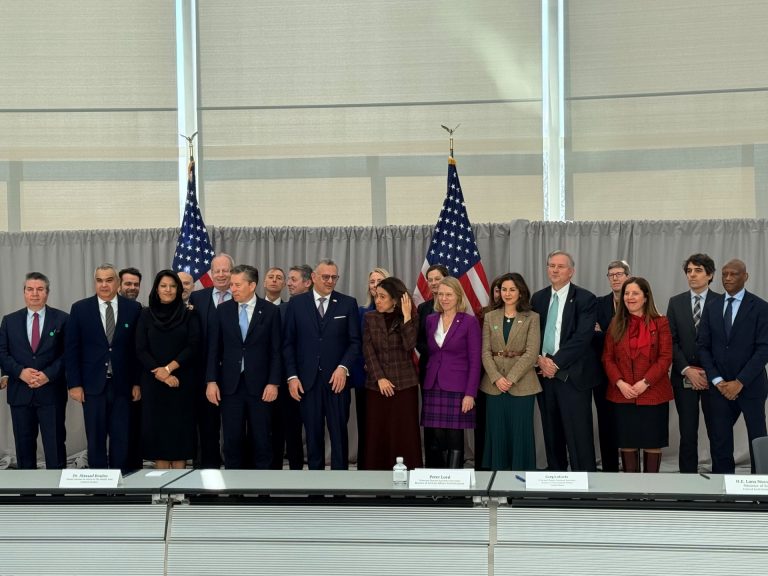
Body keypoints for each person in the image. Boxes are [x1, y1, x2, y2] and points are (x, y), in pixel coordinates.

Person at [283, 258, 361, 470]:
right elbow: (288, 344)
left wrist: (343, 368)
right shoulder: (297, 304)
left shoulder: (348, 303)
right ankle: (315, 484)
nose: (330, 281)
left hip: (337, 383)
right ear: (314, 277)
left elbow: (355, 343)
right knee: (313, 435)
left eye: (334, 277)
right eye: (325, 277)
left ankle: (339, 485)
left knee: (339, 435)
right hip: (307, 383)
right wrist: (292, 377)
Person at [65, 263, 142, 470]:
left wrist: (137, 383)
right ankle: (98, 482)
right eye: (99, 280)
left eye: (109, 280)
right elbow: (71, 349)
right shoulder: (80, 308)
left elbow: (137, 350)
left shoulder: (133, 308)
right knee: (95, 437)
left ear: (117, 283)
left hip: (123, 386)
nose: (104, 285)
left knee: (121, 436)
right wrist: (74, 384)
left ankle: (120, 480)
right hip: (92, 386)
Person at [206, 265, 281, 469]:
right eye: (232, 285)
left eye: (237, 285)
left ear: (252, 285)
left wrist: (274, 383)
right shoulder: (223, 310)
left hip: (261, 387)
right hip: (230, 386)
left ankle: (262, 485)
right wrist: (211, 381)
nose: (233, 289)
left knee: (262, 440)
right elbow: (214, 349)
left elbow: (276, 351)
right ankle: (233, 485)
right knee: (232, 440)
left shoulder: (271, 311)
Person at [698, 259, 768, 474]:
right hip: (719, 388)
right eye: (724, 274)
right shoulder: (712, 306)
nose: (727, 278)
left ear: (745, 276)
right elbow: (703, 347)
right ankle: (723, 486)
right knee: (720, 439)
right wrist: (717, 380)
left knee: (757, 437)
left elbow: (764, 349)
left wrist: (740, 382)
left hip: (751, 385)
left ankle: (760, 485)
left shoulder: (761, 307)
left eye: (734, 274)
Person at [532, 250, 598, 472]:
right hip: (543, 375)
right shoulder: (538, 298)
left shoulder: (585, 298)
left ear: (571, 271)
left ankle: (584, 479)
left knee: (578, 434)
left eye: (560, 266)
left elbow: (582, 337)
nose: (555, 270)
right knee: (551, 432)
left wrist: (555, 363)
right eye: (551, 265)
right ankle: (556, 476)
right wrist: (540, 360)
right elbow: (532, 334)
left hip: (572, 376)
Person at [602, 277, 674, 473]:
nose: (629, 297)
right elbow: (607, 358)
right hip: (622, 393)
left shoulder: (661, 322)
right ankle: (631, 488)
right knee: (627, 443)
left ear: (646, 296)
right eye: (626, 293)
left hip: (653, 392)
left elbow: (665, 357)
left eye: (635, 293)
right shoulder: (615, 323)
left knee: (652, 442)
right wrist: (620, 383)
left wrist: (645, 382)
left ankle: (650, 489)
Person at [0, 272, 68, 469]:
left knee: (55, 445)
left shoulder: (63, 319)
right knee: (24, 448)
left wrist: (48, 375)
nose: (35, 294)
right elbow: (2, 353)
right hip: (20, 393)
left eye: (40, 289)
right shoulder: (9, 321)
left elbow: (68, 354)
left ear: (47, 292)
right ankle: (27, 488)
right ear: (24, 292)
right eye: (30, 289)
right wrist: (20, 372)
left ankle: (57, 487)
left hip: (51, 392)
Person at [135, 270, 201, 469]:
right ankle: (161, 485)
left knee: (180, 435)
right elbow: (140, 348)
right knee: (158, 435)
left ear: (179, 289)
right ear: (156, 289)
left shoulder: (190, 313)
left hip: (182, 382)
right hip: (154, 383)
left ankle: (180, 484)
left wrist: (169, 368)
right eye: (163, 286)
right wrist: (162, 374)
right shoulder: (145, 314)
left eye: (173, 286)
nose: (168, 290)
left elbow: (193, 346)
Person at [480, 273, 541, 470]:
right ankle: (498, 477)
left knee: (520, 433)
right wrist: (497, 378)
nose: (507, 293)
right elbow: (485, 352)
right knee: (497, 433)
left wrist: (511, 378)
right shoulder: (490, 316)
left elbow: (532, 353)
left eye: (512, 289)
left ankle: (520, 478)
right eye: (504, 289)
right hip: (494, 386)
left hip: (523, 385)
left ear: (521, 292)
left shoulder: (532, 317)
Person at [362, 277, 422, 470]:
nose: (377, 300)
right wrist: (380, 378)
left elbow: (409, 345)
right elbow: (368, 350)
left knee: (404, 431)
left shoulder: (411, 317)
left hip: (404, 385)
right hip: (376, 386)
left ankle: (408, 470)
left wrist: (406, 317)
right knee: (377, 430)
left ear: (395, 300)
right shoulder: (370, 317)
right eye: (376, 296)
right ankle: (377, 473)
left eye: (382, 297)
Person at [666, 254, 718, 473]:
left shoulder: (721, 302)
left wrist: (708, 372)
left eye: (698, 270)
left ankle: (721, 478)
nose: (692, 275)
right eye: (689, 271)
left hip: (713, 378)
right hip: (683, 376)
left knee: (717, 431)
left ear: (710, 275)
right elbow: (670, 341)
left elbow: (725, 343)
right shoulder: (675, 302)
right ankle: (687, 479)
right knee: (687, 432)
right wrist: (687, 369)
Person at [422, 276, 481, 468]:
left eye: (449, 294)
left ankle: (455, 479)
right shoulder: (431, 320)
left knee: (455, 436)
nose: (444, 298)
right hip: (433, 384)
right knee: (436, 436)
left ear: (458, 296)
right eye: (441, 294)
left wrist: (470, 394)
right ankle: (440, 477)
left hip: (457, 386)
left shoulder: (469, 322)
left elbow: (475, 361)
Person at [188, 252, 234, 469]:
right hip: (205, 374)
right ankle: (208, 473)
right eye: (217, 271)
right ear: (211, 273)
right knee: (207, 429)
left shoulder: (242, 295)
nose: (221, 274)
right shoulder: (197, 298)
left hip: (236, 374)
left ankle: (236, 474)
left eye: (225, 270)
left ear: (233, 272)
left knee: (235, 429)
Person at [270, 264, 311, 470]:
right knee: (282, 429)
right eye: (288, 279)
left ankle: (300, 475)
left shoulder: (319, 308)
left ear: (308, 282)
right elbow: (278, 347)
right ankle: (278, 476)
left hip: (313, 380)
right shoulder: (281, 310)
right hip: (286, 380)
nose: (288, 283)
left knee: (309, 430)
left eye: (293, 279)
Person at [592, 260, 630, 472]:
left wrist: (604, 332)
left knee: (628, 424)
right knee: (606, 423)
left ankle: (631, 470)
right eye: (611, 275)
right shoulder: (598, 304)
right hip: (603, 374)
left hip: (632, 375)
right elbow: (593, 336)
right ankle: (609, 469)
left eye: (619, 274)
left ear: (628, 276)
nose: (615, 278)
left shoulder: (636, 301)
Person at [350, 266, 390, 469]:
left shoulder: (396, 312)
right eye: (372, 282)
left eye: (379, 281)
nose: (375, 285)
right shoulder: (361, 312)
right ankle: (365, 467)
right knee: (367, 423)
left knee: (387, 424)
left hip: (391, 377)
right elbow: (356, 343)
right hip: (365, 377)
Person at [474, 274, 503, 471]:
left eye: (507, 289)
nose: (502, 294)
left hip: (512, 377)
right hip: (485, 375)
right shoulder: (483, 314)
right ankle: (483, 467)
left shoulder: (526, 315)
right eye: (498, 290)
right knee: (485, 423)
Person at [119, 266, 143, 470]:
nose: (132, 288)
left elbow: (138, 350)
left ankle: (134, 473)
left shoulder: (138, 310)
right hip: (103, 382)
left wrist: (137, 382)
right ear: (119, 285)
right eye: (128, 283)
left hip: (131, 383)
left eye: (136, 284)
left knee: (133, 429)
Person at [416, 264, 450, 384]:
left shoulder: (458, 308)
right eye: (430, 280)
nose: (433, 283)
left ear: (446, 279)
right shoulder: (422, 308)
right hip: (428, 365)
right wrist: (433, 353)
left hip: (451, 367)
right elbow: (418, 339)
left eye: (437, 279)